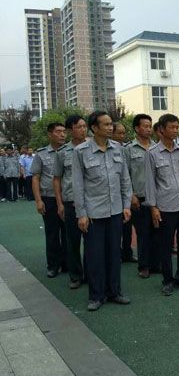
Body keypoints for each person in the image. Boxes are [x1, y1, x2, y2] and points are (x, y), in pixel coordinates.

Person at [72, 111, 132, 311]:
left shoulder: (118, 149)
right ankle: (96, 296)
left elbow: (125, 179)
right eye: (105, 124)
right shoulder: (80, 152)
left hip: (115, 210)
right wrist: (81, 214)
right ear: (94, 128)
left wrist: (126, 205)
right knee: (95, 256)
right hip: (93, 213)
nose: (110, 127)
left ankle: (115, 291)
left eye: (110, 124)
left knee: (114, 253)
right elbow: (78, 185)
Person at [145, 114, 179, 296]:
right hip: (167, 207)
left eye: (177, 127)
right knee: (166, 245)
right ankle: (168, 280)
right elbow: (150, 182)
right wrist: (153, 207)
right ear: (161, 129)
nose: (175, 130)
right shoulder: (152, 153)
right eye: (172, 127)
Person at [123, 114, 160, 279]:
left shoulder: (156, 147)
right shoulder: (128, 149)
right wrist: (131, 195)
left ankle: (156, 264)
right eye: (145, 126)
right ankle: (144, 266)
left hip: (157, 197)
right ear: (137, 128)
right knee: (143, 233)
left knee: (157, 231)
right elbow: (125, 175)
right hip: (140, 197)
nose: (148, 129)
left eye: (150, 126)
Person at [53, 115, 87, 289]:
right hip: (71, 202)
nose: (83, 129)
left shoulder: (92, 148)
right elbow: (57, 179)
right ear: (70, 130)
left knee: (92, 241)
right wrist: (59, 203)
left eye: (84, 126)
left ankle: (91, 273)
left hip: (91, 202)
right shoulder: (62, 152)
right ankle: (76, 275)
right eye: (79, 127)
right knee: (72, 241)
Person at [31, 123, 67, 277]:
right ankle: (53, 265)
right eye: (58, 132)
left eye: (64, 132)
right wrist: (38, 200)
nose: (62, 135)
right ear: (50, 135)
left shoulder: (70, 151)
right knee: (52, 234)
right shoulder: (41, 154)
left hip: (67, 198)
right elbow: (36, 177)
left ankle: (67, 263)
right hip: (49, 199)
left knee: (68, 234)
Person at [112, 122, 136, 263]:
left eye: (124, 133)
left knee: (127, 226)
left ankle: (127, 252)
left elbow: (128, 173)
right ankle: (115, 254)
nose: (122, 136)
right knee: (116, 229)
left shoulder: (126, 149)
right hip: (113, 195)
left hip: (126, 194)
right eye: (119, 133)